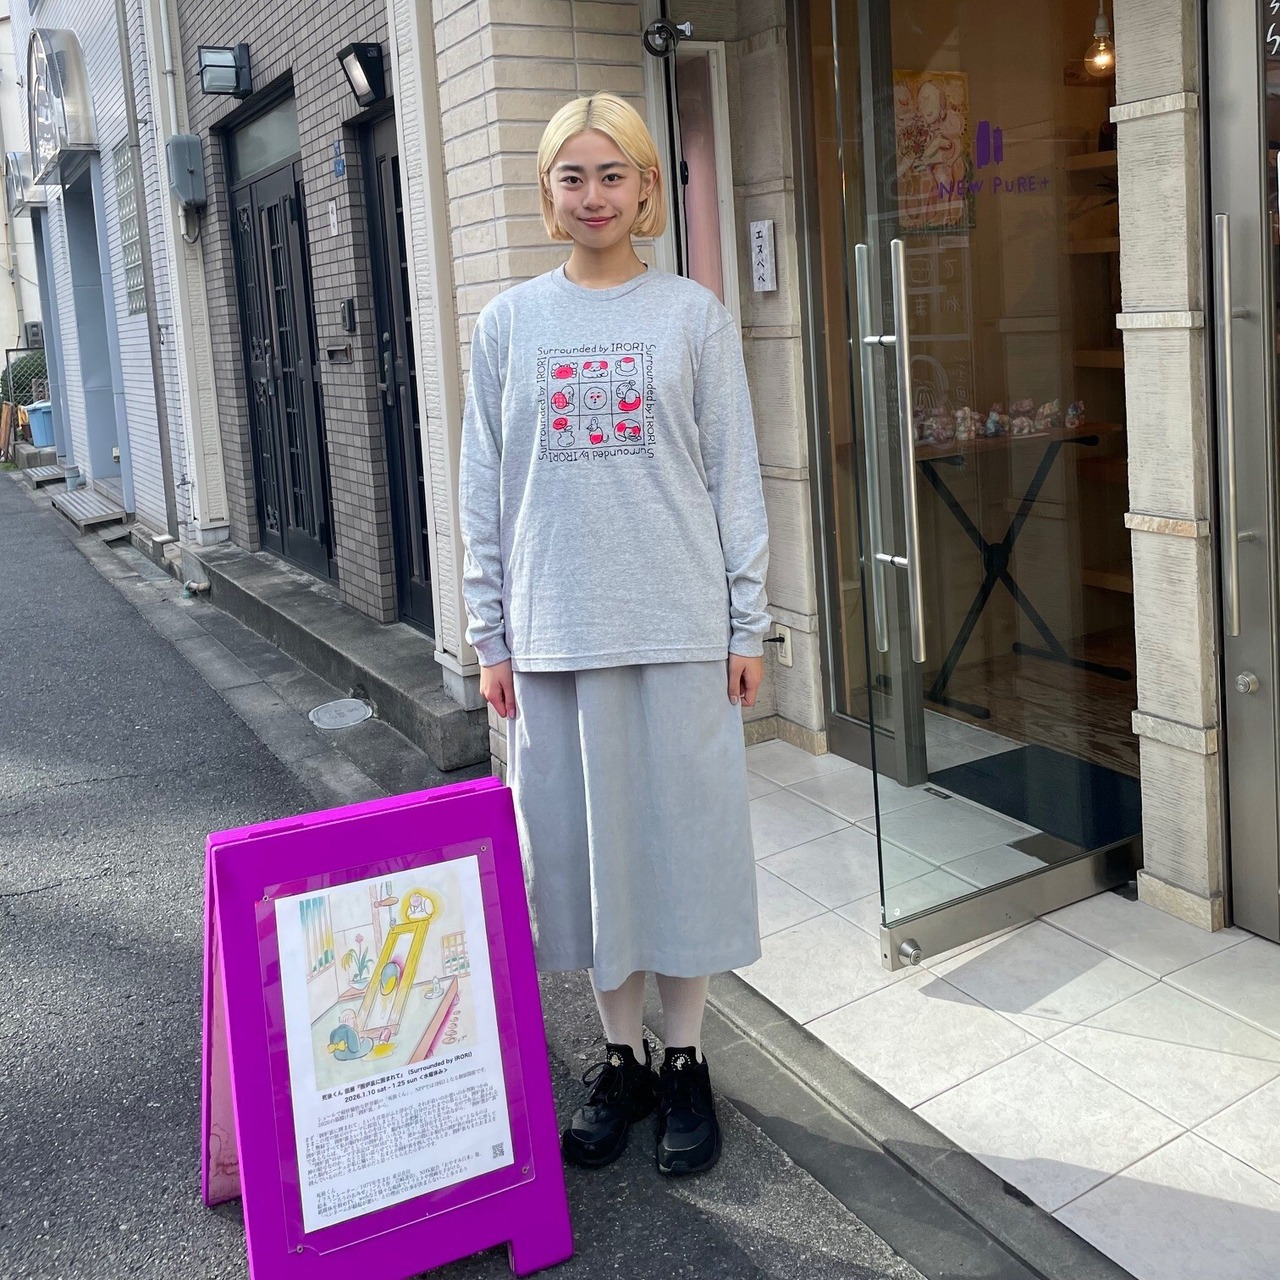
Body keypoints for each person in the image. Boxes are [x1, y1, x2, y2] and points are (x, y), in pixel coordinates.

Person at [458, 91, 769, 1177]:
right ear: (547, 191)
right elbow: (484, 487)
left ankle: (685, 1057)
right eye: (572, 176)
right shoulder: (508, 324)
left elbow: (734, 473)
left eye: (612, 173)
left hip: (679, 627)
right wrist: (489, 634)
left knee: (684, 848)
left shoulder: (693, 315)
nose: (593, 195)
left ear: (644, 186)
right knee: (583, 859)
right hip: (554, 635)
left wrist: (746, 620)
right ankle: (621, 1056)